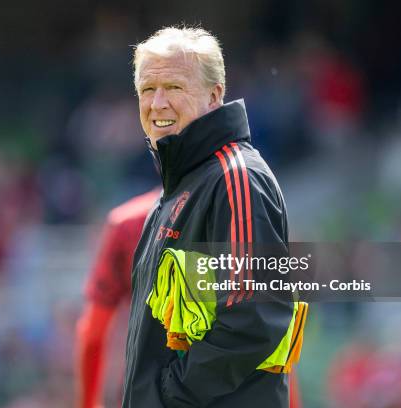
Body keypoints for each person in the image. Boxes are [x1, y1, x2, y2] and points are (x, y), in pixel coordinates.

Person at [123, 26, 304, 407]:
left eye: (174, 87)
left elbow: (251, 320)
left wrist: (168, 397)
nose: (157, 103)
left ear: (214, 95)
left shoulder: (234, 178)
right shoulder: (181, 186)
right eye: (147, 90)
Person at [76, 188, 160, 408]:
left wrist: (89, 403)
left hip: (146, 387)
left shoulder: (129, 223)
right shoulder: (241, 213)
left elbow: (93, 333)